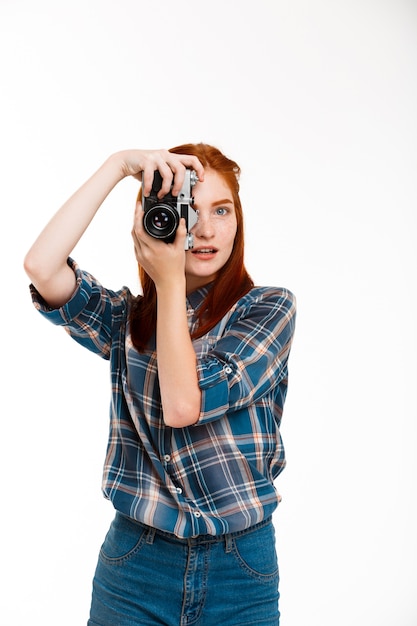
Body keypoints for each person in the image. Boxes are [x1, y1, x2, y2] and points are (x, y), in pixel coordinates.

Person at [24, 143, 296, 626]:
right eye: (190, 209)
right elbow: (42, 267)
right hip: (137, 567)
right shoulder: (128, 322)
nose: (208, 229)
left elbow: (183, 403)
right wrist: (117, 166)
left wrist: (169, 282)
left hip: (240, 569)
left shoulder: (268, 310)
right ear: (159, 218)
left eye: (222, 209)